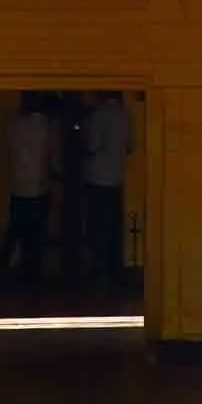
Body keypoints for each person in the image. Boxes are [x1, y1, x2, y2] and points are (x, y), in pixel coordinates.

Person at [0, 96, 60, 288]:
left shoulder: (14, 126)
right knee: (36, 234)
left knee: (14, 230)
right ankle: (32, 275)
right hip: (40, 187)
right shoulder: (47, 128)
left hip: (18, 185)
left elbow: (7, 150)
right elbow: (53, 158)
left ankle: (2, 268)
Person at [79, 92, 131, 291]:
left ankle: (99, 274)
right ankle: (115, 273)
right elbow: (130, 146)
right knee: (113, 230)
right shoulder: (125, 116)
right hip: (117, 179)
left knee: (97, 229)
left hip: (96, 179)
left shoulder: (98, 116)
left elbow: (92, 146)